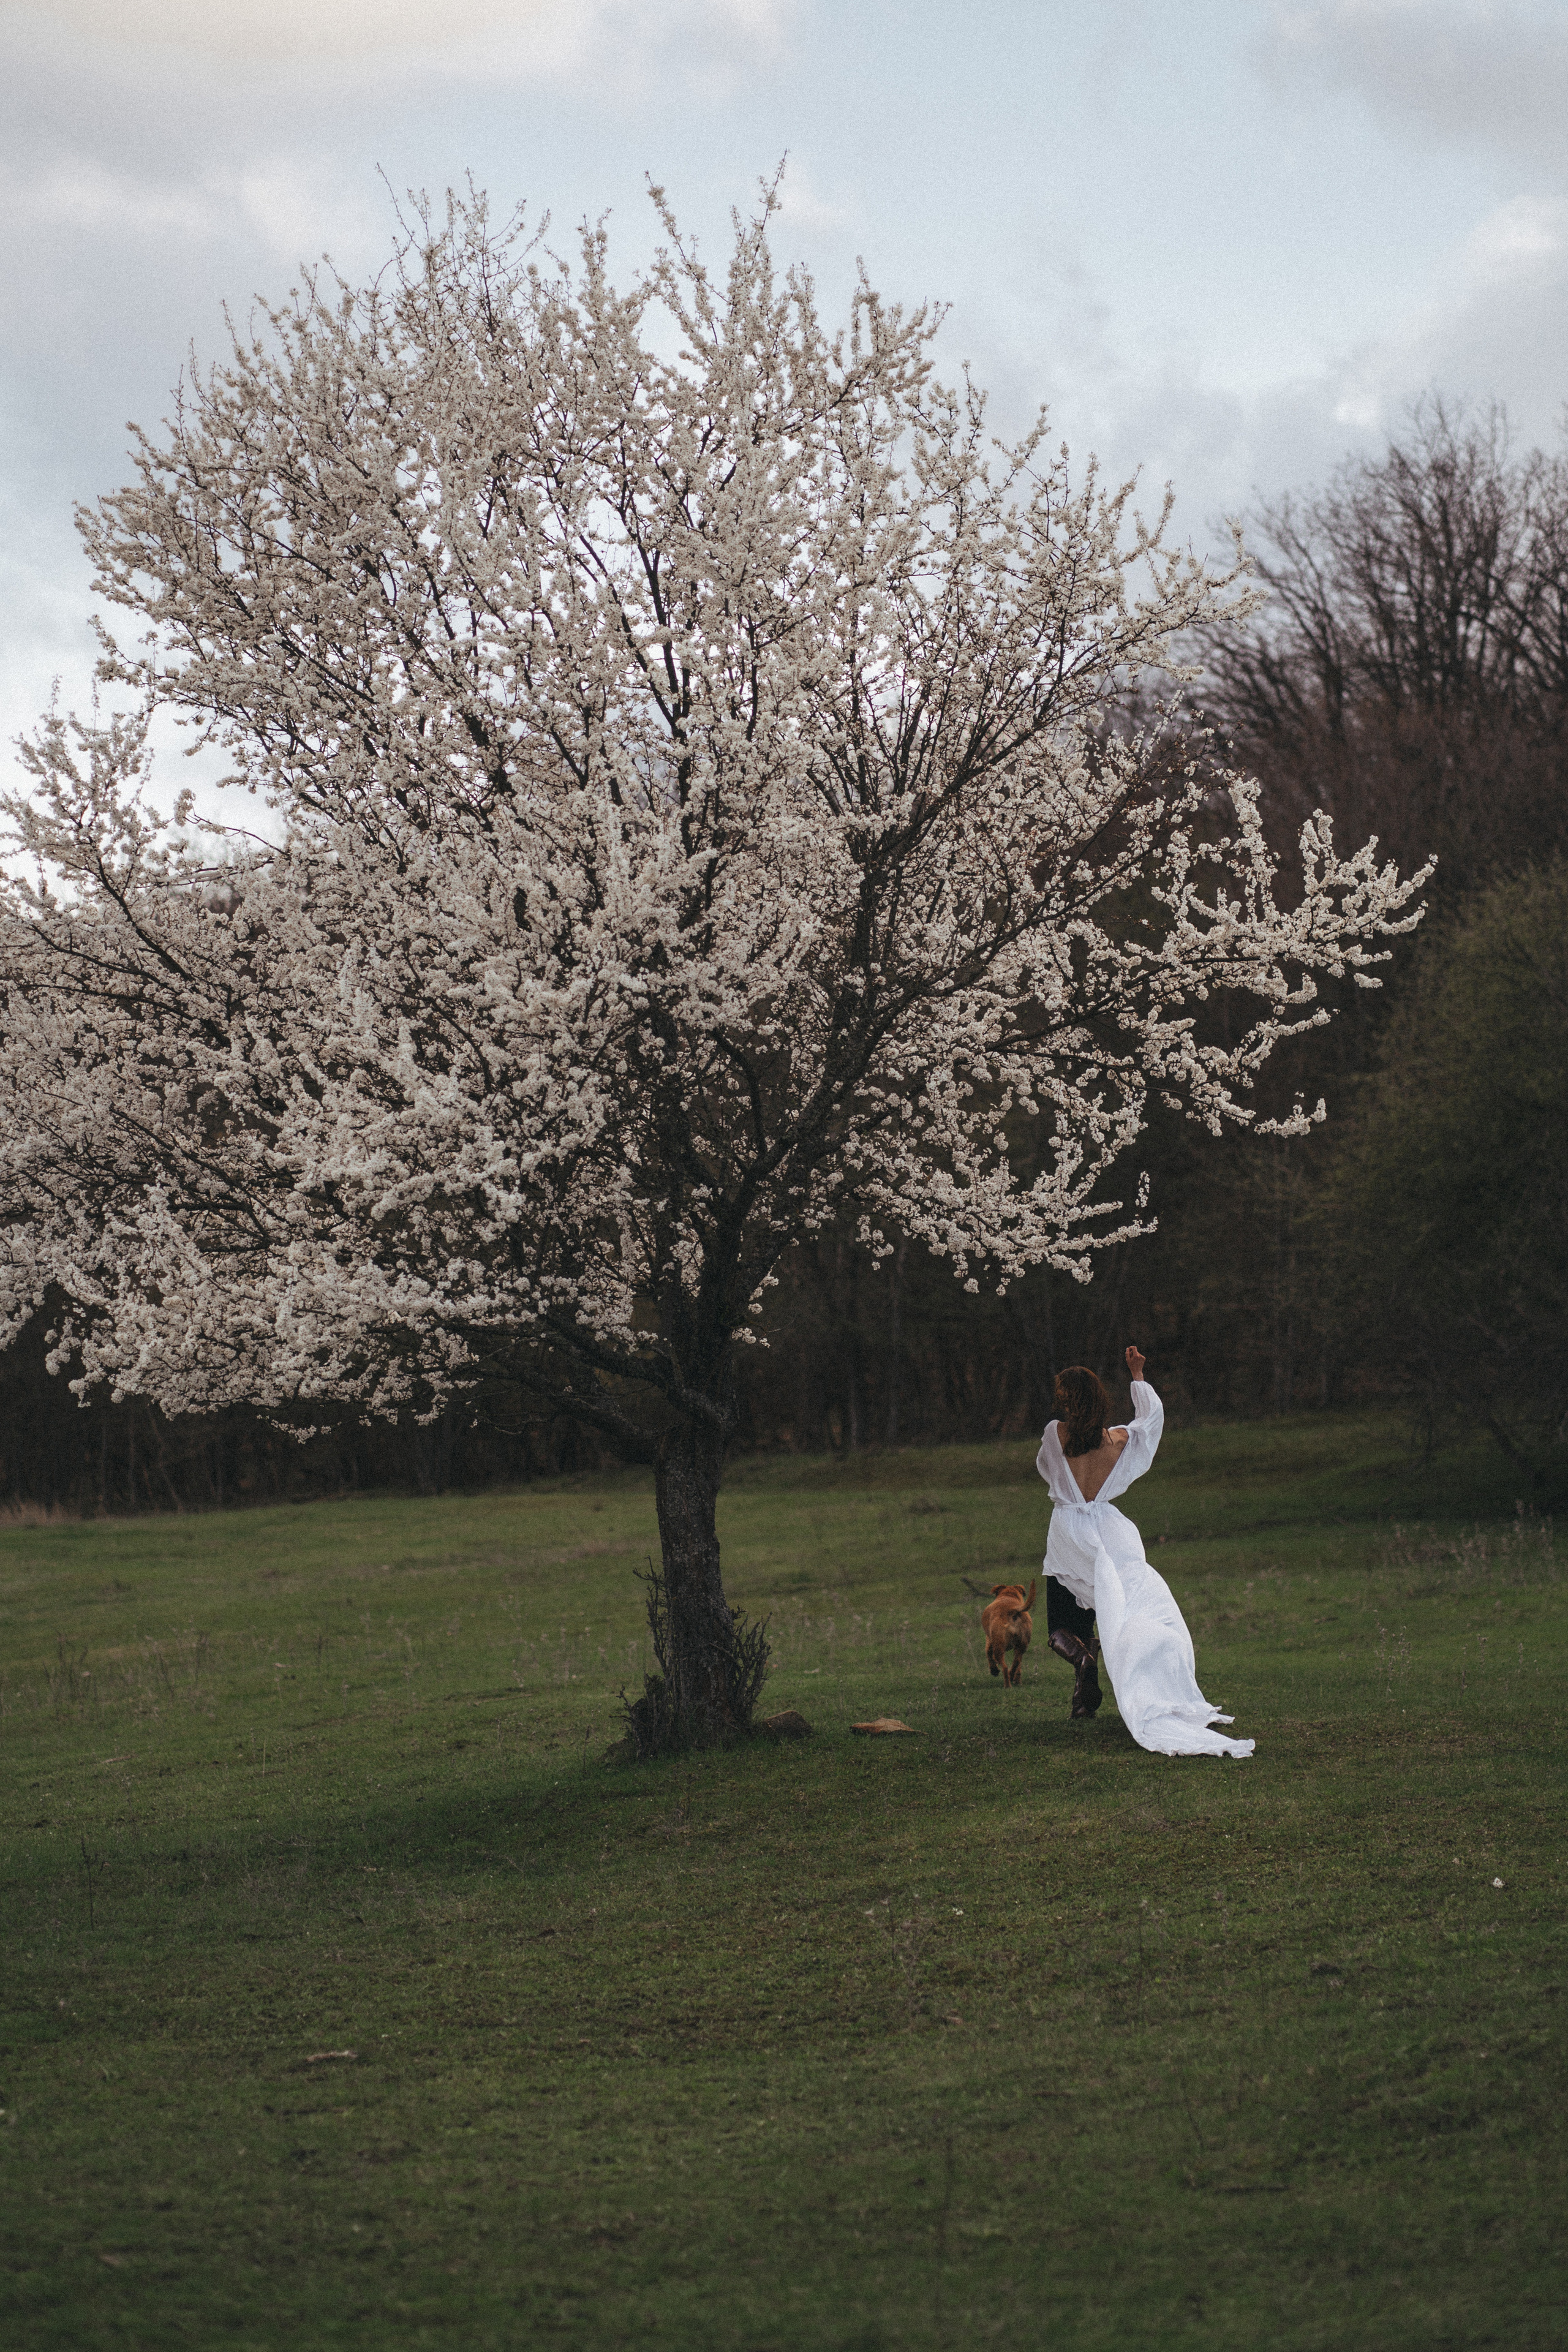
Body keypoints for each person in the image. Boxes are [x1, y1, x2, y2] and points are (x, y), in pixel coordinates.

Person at [1036, 1348, 1254, 1759]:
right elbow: (1150, 1425)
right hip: (1110, 1530)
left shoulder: (1055, 1435)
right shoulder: (1118, 1441)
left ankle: (1085, 1665)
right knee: (1128, 1605)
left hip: (1069, 1530)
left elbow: (1047, 1470)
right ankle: (1131, 1670)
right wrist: (1138, 1378)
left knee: (1062, 1620)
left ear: (1068, 1401)